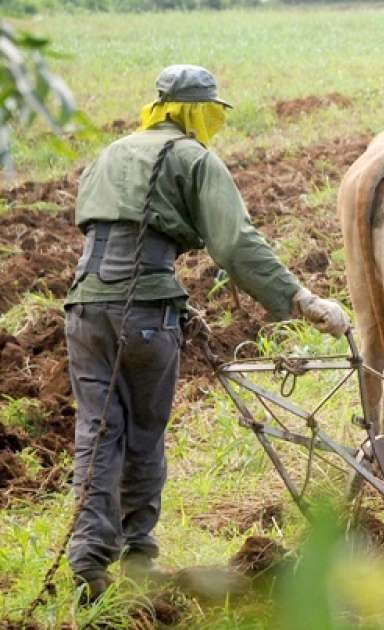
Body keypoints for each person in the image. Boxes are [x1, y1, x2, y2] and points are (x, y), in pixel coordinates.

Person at [64, 64, 350, 602]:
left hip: (84, 311)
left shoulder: (109, 153)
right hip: (145, 314)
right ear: (199, 111)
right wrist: (302, 300)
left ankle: (87, 563)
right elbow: (235, 243)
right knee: (144, 435)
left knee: (97, 434)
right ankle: (137, 557)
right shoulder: (194, 159)